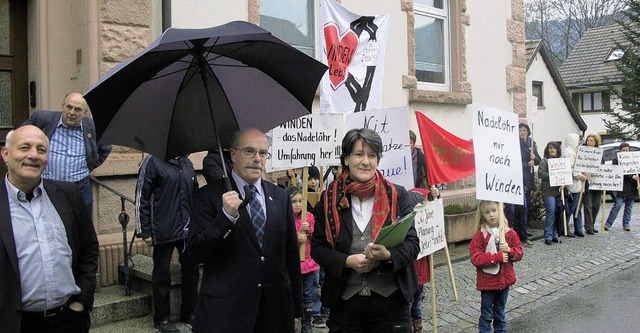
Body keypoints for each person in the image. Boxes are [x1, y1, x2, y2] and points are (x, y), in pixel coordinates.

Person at [187, 128, 302, 333]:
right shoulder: (208, 197)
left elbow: (290, 256)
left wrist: (296, 312)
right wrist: (226, 217)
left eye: (263, 153)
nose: (257, 159)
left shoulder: (280, 196)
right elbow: (195, 252)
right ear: (233, 154)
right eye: (249, 151)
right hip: (228, 312)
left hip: (274, 312)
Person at [311, 128, 419, 332]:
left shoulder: (398, 195)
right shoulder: (328, 200)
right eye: (359, 154)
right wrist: (346, 261)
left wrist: (388, 255)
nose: (365, 161)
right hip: (345, 305)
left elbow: (413, 244)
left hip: (391, 304)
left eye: (372, 155)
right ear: (346, 159)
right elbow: (317, 248)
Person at [0, 125, 99, 333]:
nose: (33, 155)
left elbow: (89, 250)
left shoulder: (68, 195)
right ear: (6, 154)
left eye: (41, 150)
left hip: (68, 320)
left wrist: (81, 302)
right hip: (17, 324)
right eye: (25, 147)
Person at [135, 154, 200, 333]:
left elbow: (195, 193)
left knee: (192, 271)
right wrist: (145, 230)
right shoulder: (153, 161)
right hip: (161, 229)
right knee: (162, 274)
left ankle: (189, 312)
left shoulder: (187, 163)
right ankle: (162, 318)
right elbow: (142, 195)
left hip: (186, 229)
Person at [23, 92, 112, 209]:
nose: (72, 113)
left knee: (81, 224)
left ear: (85, 112)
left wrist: (90, 165)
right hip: (46, 185)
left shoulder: (94, 126)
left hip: (80, 187)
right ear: (62, 106)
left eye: (78, 109)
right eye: (69, 107)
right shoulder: (42, 119)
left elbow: (105, 148)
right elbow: (19, 137)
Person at [469, 200, 524, 333]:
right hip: (488, 282)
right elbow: (476, 258)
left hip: (504, 281)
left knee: (500, 312)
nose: (491, 215)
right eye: (487, 212)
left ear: (500, 210)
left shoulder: (509, 233)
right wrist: (496, 257)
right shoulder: (480, 236)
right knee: (487, 314)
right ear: (483, 215)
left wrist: (510, 251)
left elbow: (519, 252)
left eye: (494, 210)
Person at [287, 186, 325, 332]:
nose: (297, 204)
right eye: (293, 201)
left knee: (309, 293)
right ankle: (295, 320)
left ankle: (307, 323)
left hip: (309, 262)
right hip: (294, 264)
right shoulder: (285, 217)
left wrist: (309, 230)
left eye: (300, 201)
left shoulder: (308, 216)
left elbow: (316, 236)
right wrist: (295, 238)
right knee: (295, 293)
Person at [407, 187, 439, 333]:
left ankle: (418, 326)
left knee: (417, 302)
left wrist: (436, 196)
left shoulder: (426, 227)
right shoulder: (408, 231)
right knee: (409, 303)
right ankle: (408, 327)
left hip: (420, 276)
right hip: (409, 276)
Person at [504, 123, 540, 246]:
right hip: (515, 180)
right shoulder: (514, 144)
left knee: (524, 209)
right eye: (520, 130)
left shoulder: (531, 143)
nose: (522, 132)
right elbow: (512, 162)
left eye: (524, 130)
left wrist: (534, 158)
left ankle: (523, 233)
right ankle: (513, 235)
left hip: (527, 181)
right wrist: (526, 164)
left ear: (528, 131)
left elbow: (538, 161)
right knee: (513, 210)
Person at [604, 142, 639, 231]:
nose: (625, 152)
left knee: (629, 206)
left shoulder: (634, 160)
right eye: (623, 150)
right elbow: (619, 172)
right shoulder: (616, 160)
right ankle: (608, 223)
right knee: (618, 205)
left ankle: (626, 224)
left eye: (627, 150)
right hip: (621, 186)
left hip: (632, 186)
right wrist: (631, 176)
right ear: (620, 151)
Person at [562, 133, 587, 237]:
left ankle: (578, 228)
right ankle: (565, 228)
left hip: (577, 185)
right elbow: (571, 169)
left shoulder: (574, 152)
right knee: (571, 208)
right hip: (572, 184)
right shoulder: (569, 153)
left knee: (577, 208)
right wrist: (580, 176)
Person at [538, 141, 563, 245]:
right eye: (550, 148)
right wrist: (553, 175)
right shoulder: (544, 161)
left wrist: (563, 181)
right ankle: (548, 235)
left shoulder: (560, 161)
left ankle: (555, 234)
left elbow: (564, 174)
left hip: (558, 191)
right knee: (551, 211)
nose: (552, 150)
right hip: (548, 191)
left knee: (558, 213)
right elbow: (541, 174)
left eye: (554, 148)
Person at [583, 134, 604, 235]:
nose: (589, 143)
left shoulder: (600, 153)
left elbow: (603, 167)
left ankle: (592, 223)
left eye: (591, 141)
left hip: (597, 183)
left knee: (596, 205)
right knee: (588, 205)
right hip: (587, 183)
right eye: (588, 141)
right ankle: (588, 227)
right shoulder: (583, 152)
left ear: (595, 142)